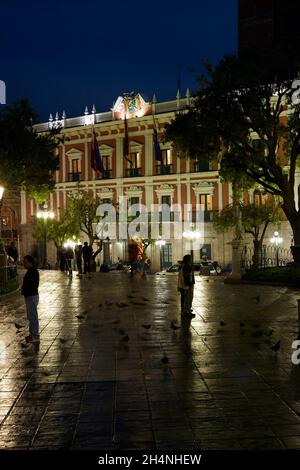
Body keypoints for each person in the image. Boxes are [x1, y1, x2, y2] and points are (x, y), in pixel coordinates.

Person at [21, 255, 40, 343]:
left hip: (31, 296)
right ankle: (32, 334)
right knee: (31, 316)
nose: (23, 264)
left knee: (33, 316)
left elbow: (32, 285)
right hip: (30, 296)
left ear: (30, 262)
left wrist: (25, 291)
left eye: (25, 262)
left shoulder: (33, 272)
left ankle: (35, 335)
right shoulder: (31, 271)